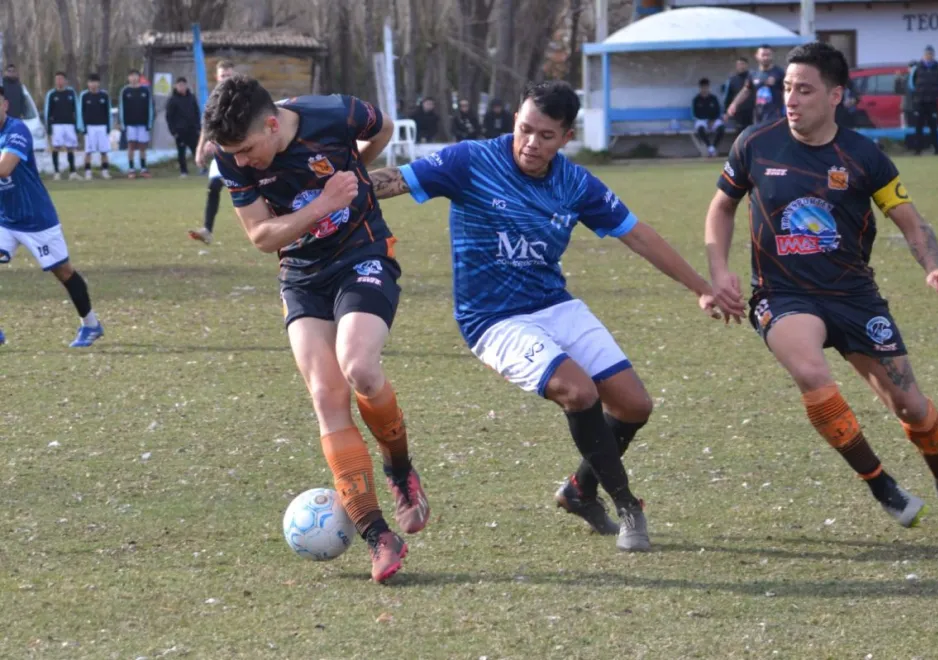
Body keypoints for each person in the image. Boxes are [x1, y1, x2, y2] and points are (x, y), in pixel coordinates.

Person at [367, 80, 741, 552]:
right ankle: (626, 505)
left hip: (555, 305)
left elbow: (638, 235)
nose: (530, 143)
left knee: (634, 406)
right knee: (579, 391)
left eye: (546, 135)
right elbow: (392, 181)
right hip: (492, 318)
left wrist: (701, 288)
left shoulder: (575, 183)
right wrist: (324, 195)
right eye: (525, 130)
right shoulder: (471, 161)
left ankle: (580, 491)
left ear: (567, 136)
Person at [704, 41, 938, 535]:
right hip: (782, 295)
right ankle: (881, 484)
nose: (791, 99)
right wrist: (718, 269)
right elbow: (721, 207)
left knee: (911, 407)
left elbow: (912, 223)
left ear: (835, 95)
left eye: (805, 90)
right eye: (788, 88)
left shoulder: (863, 156)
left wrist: (934, 268)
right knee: (812, 374)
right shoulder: (754, 143)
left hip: (854, 296)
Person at [202, 74, 430, 582]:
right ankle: (378, 536)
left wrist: (355, 173)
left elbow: (384, 126)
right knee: (326, 395)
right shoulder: (229, 154)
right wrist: (325, 201)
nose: (241, 162)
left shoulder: (334, 114)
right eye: (231, 152)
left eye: (247, 149)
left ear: (271, 122)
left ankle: (399, 469)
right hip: (302, 275)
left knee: (360, 367)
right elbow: (261, 235)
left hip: (362, 252)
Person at [0, 84, 105, 347]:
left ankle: (91, 325)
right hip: (4, 218)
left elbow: (4, 169)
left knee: (64, 272)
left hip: (35, 218)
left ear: (4, 105)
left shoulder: (17, 130)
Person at [189, 60, 236, 244]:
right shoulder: (213, 99)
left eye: (228, 75)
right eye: (222, 75)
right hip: (222, 152)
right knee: (214, 186)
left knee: (252, 189)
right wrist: (200, 149)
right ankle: (207, 230)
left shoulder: (240, 97)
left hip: (239, 151)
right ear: (217, 77)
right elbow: (206, 126)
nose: (225, 78)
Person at [726, 44, 786, 126]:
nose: (766, 58)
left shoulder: (779, 73)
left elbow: (786, 91)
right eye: (763, 55)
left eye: (768, 55)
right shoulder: (753, 74)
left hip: (776, 115)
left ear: (772, 56)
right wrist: (734, 104)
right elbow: (746, 90)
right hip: (758, 115)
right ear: (757, 56)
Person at [908, 46, 938, 155]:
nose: (929, 56)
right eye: (927, 54)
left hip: (933, 102)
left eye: (931, 54)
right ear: (924, 55)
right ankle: (918, 150)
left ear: (933, 55)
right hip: (920, 102)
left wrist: (936, 92)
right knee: (918, 126)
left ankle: (937, 149)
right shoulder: (917, 68)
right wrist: (918, 94)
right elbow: (911, 85)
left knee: (934, 126)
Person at [44, 72, 81, 181]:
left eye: (61, 79)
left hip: (69, 124)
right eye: (57, 79)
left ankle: (73, 172)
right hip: (56, 125)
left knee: (70, 148)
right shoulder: (51, 94)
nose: (59, 81)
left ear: (65, 81)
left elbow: (77, 110)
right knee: (56, 147)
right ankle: (56, 172)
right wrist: (49, 127)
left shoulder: (71, 93)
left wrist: (77, 125)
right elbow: (48, 112)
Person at [118, 69, 154, 178]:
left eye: (135, 76)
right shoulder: (124, 91)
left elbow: (150, 108)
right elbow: (121, 108)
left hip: (143, 124)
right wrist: (122, 124)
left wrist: (149, 123)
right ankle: (131, 169)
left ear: (139, 77)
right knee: (131, 146)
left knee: (143, 146)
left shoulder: (145, 91)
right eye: (131, 76)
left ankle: (143, 168)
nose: (133, 78)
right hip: (130, 124)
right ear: (128, 78)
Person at [78, 73, 113, 180]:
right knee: (88, 151)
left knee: (104, 151)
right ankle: (88, 172)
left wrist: (108, 127)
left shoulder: (104, 96)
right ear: (88, 84)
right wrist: (82, 127)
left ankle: (105, 171)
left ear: (98, 83)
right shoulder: (84, 96)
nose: (93, 84)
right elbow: (81, 112)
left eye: (95, 82)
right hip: (89, 127)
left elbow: (108, 112)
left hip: (102, 127)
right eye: (91, 82)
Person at [165, 77, 201, 178]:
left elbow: (197, 113)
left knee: (196, 150)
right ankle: (183, 171)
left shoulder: (192, 97)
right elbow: (169, 117)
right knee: (181, 152)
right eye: (179, 85)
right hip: (180, 131)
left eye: (183, 85)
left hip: (192, 129)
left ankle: (201, 167)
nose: (182, 87)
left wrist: (198, 127)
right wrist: (173, 131)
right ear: (176, 86)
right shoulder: (172, 100)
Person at [692, 77, 724, 157]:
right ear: (700, 88)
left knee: (721, 128)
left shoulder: (713, 98)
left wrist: (712, 120)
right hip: (701, 120)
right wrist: (705, 120)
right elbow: (695, 114)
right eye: (703, 87)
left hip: (713, 120)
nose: (704, 89)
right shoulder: (696, 99)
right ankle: (710, 147)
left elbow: (718, 111)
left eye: (706, 87)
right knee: (700, 128)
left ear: (708, 87)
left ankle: (713, 147)